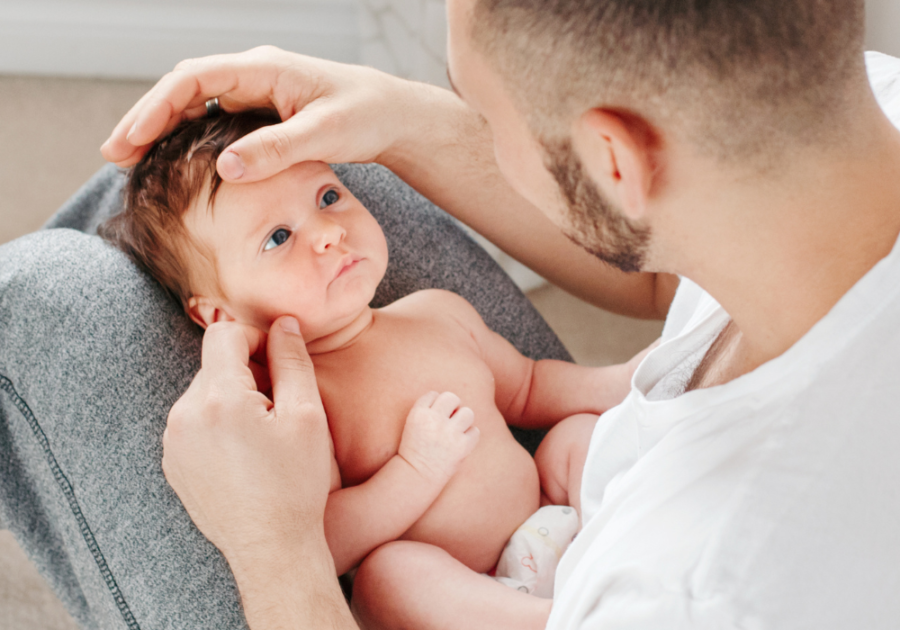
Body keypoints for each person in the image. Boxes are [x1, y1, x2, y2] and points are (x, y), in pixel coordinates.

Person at [93, 0, 900, 628]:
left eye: (475, 104)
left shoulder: (697, 595)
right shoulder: (867, 105)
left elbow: (520, 391)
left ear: (614, 162)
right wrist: (399, 115)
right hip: (562, 517)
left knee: (50, 288)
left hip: (528, 586)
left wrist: (269, 545)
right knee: (146, 210)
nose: (341, 218)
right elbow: (661, 284)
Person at [100, 108, 647, 598]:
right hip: (465, 594)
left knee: (575, 438)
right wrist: (414, 471)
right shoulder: (295, 405)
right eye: (278, 237)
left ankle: (632, 556)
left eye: (329, 197)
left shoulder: (438, 312)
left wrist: (625, 379)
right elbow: (322, 544)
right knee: (392, 577)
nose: (328, 234)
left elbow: (528, 386)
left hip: (552, 524)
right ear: (218, 316)